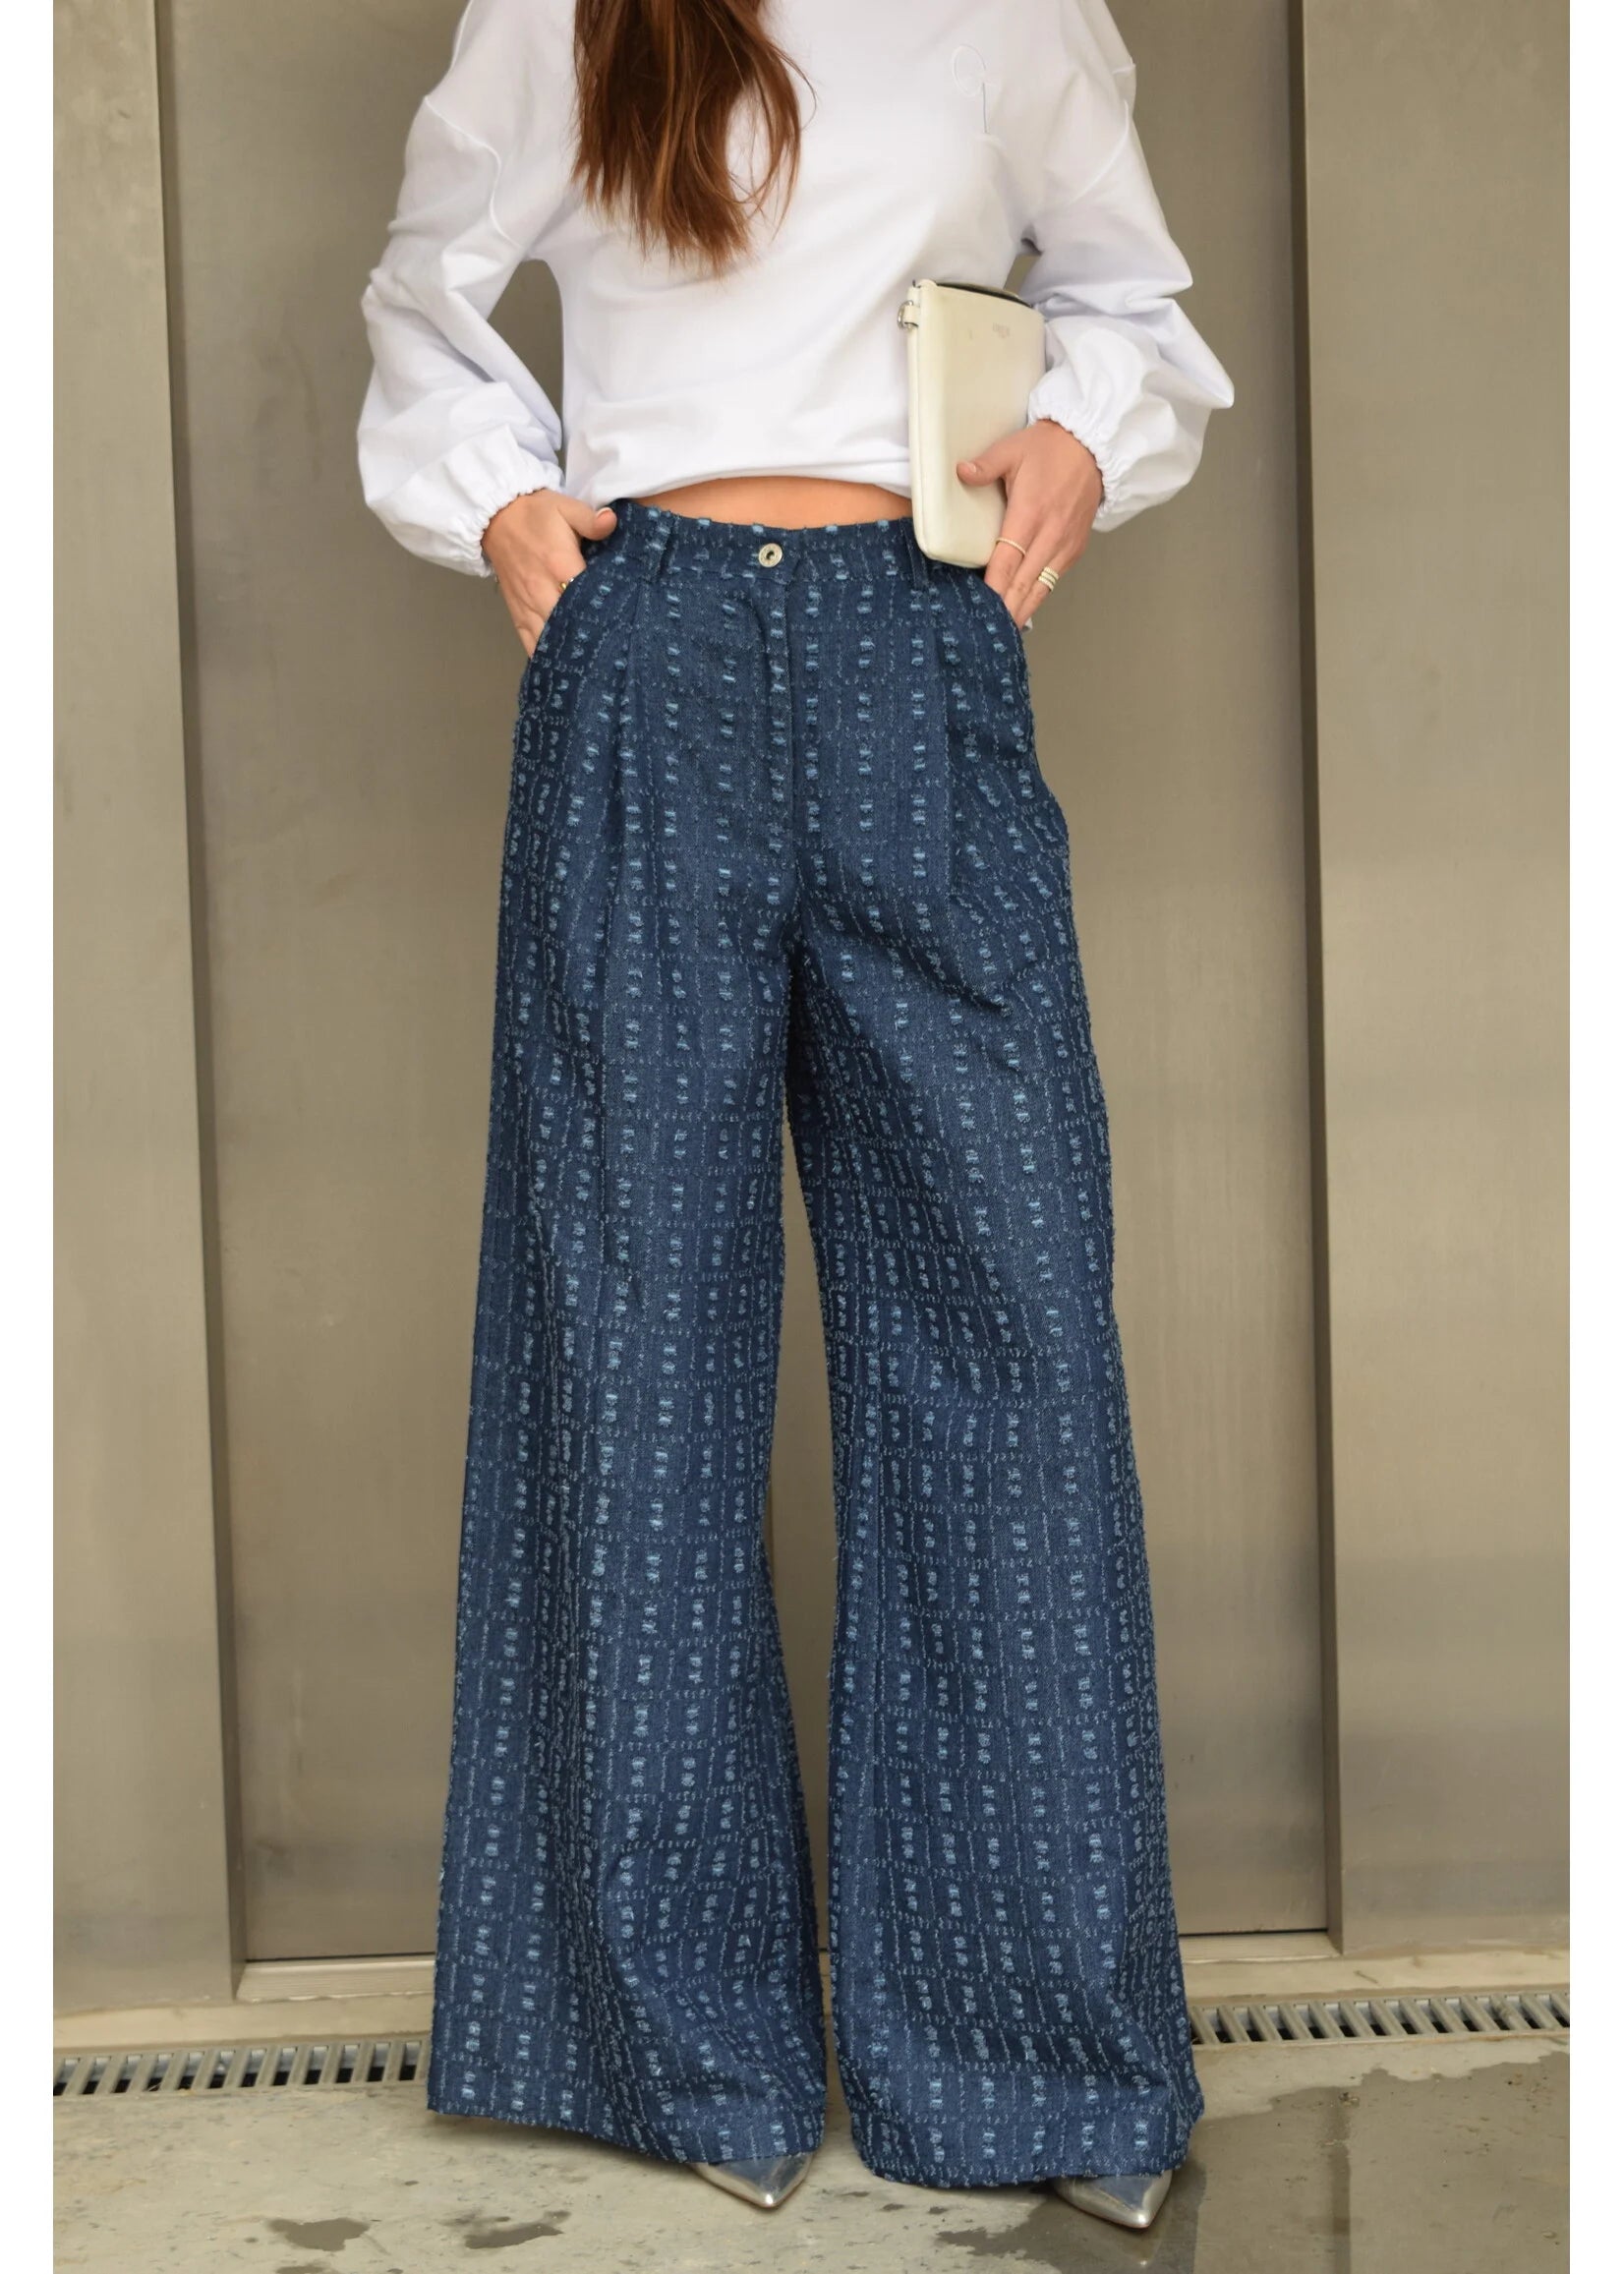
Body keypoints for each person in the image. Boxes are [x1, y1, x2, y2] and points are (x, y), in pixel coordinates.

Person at [358, 0, 1234, 2234]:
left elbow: (1130, 297)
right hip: (642, 648)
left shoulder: (1011, 12)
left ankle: (1036, 2048)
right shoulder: (566, 13)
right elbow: (427, 290)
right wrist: (502, 501)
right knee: (630, 1341)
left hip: (919, 641)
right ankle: (675, 2045)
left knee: (1007, 1332)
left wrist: (1080, 431)